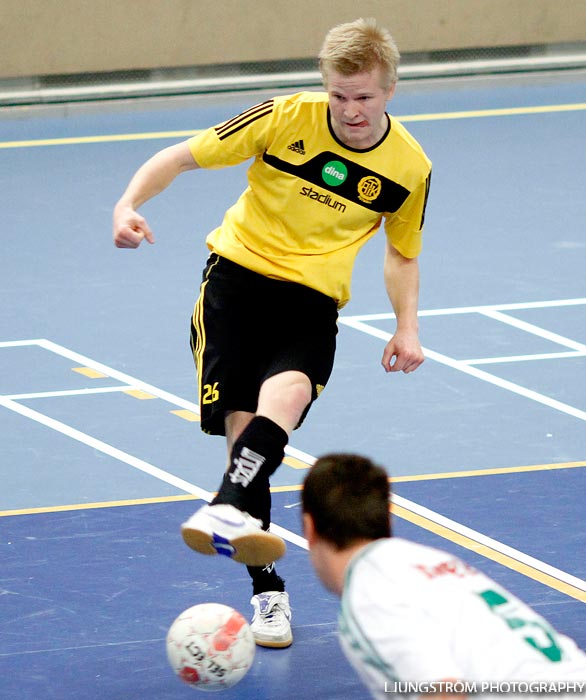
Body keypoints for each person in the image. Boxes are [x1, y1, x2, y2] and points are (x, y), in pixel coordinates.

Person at [112, 17, 431, 649]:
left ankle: (227, 507)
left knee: (281, 403)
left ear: (389, 90)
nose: (351, 111)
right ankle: (267, 591)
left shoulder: (410, 167)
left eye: (364, 97)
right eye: (339, 96)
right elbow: (180, 156)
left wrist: (406, 326)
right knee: (242, 439)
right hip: (235, 284)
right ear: (326, 87)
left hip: (312, 301)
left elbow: (401, 254)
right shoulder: (284, 118)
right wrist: (128, 205)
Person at [302, 453, 586, 699]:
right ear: (387, 518)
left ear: (309, 527)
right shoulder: (428, 559)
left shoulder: (367, 595)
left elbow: (443, 691)